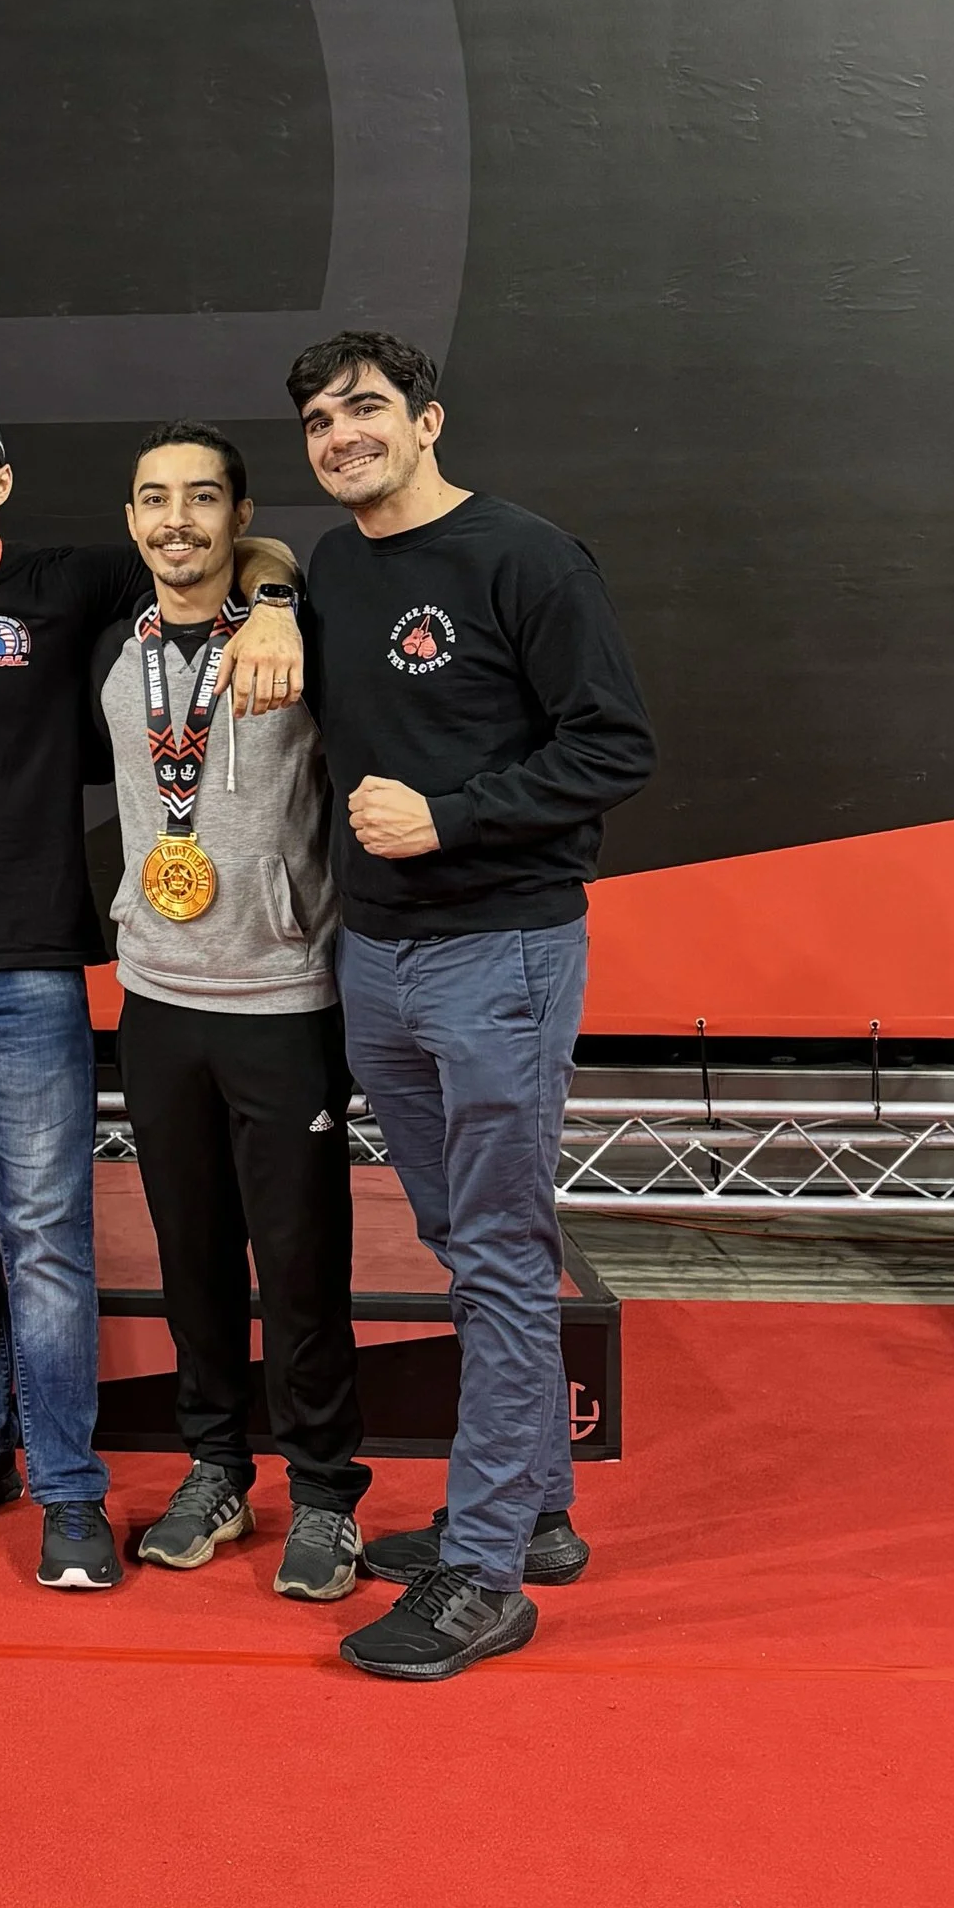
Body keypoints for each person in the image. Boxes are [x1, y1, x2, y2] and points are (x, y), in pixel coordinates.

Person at [0, 401, 301, 1593]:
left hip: (32, 968)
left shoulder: (66, 580)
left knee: (42, 1240)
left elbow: (223, 552)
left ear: (2, 481)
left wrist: (283, 595)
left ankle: (69, 1489)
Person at [286, 330, 656, 1683]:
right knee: (461, 1234)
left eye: (368, 408)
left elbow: (616, 743)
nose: (344, 435)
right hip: (374, 958)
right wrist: (273, 601)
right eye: (322, 421)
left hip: (498, 948)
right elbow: (288, 590)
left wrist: (449, 818)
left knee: (497, 1250)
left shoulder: (527, 557)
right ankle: (540, 1512)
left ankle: (487, 1572)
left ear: (428, 420)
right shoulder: (331, 564)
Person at [96, 424, 366, 1602]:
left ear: (238, 512)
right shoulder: (119, 644)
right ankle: (215, 1466)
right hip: (157, 999)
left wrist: (279, 596)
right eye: (154, 499)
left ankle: (321, 1492)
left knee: (301, 1264)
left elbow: (274, 563)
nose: (176, 520)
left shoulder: (297, 635)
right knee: (190, 1258)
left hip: (281, 998)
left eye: (201, 498)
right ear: (130, 520)